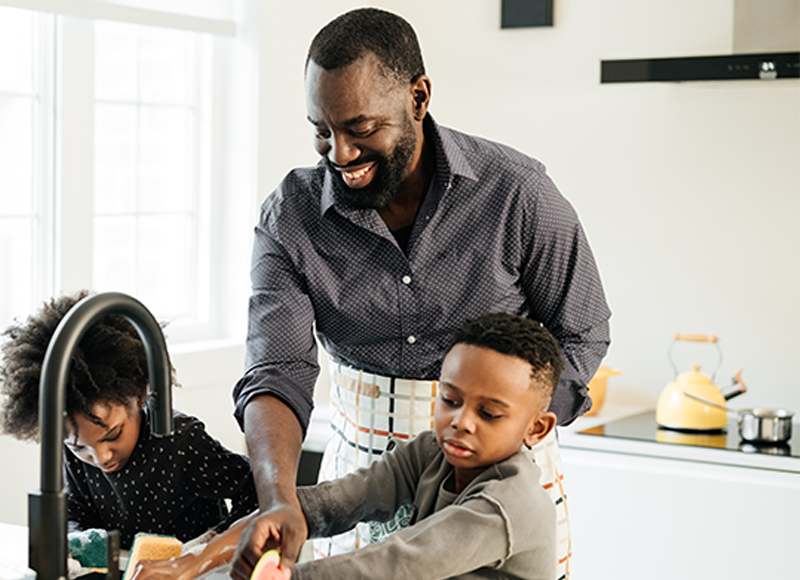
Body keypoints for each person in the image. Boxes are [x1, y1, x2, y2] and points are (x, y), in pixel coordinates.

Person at [232, 7, 611, 579]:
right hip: (364, 473)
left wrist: (505, 433)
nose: (339, 154)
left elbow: (581, 334)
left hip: (501, 478)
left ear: (418, 97)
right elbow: (276, 370)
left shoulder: (518, 194)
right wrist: (278, 494)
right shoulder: (291, 217)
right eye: (321, 131)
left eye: (360, 129)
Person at [133, 312, 562, 580]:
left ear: (537, 429)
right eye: (450, 400)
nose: (461, 422)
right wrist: (197, 560)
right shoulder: (429, 452)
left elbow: (402, 562)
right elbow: (330, 503)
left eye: (489, 414)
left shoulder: (509, 506)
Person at [0, 291, 259, 549]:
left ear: (138, 396)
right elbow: (74, 512)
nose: (101, 457)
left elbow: (256, 493)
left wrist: (207, 547)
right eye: (80, 447)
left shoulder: (181, 442)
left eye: (112, 434)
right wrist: (80, 542)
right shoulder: (72, 446)